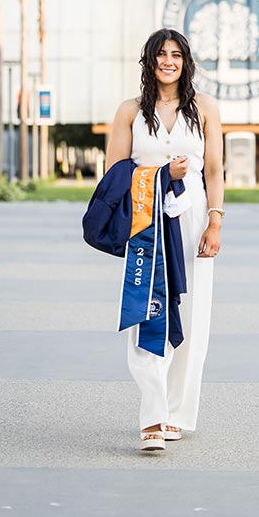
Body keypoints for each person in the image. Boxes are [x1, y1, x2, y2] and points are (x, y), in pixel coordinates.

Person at [103, 27, 224, 452]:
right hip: (147, 222)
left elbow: (214, 171)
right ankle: (152, 416)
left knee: (191, 315)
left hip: (192, 220)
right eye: (161, 54)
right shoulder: (130, 111)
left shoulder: (205, 107)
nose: (168, 61)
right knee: (147, 311)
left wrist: (215, 221)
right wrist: (160, 175)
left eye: (176, 54)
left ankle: (175, 412)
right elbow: (114, 174)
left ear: (186, 62)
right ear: (149, 60)